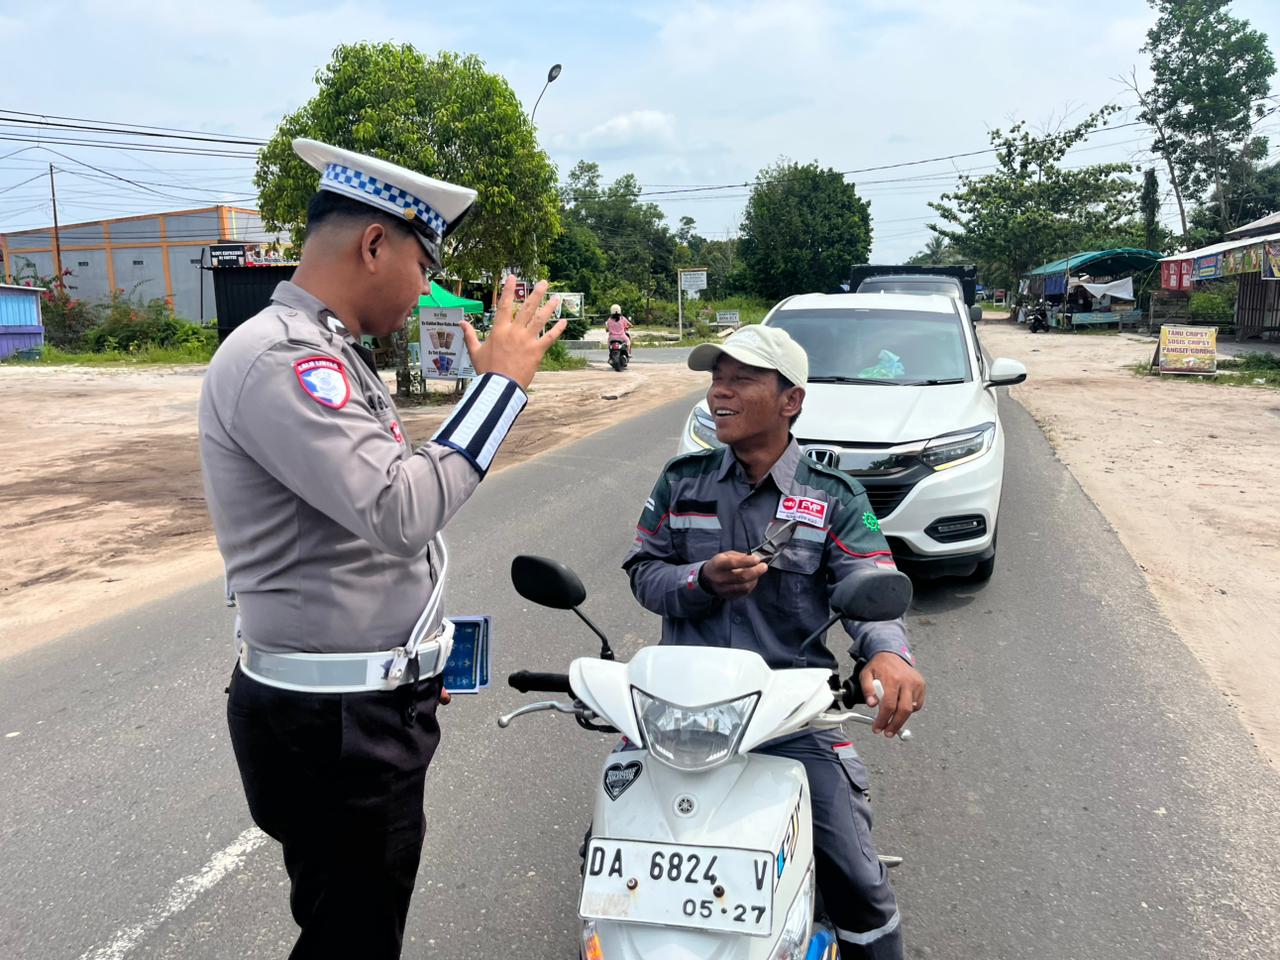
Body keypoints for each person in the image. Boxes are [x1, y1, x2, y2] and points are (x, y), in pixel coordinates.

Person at [199, 138, 565, 959]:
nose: (427, 290)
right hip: (335, 729)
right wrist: (501, 389)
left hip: (357, 713)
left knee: (353, 926)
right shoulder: (283, 359)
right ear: (373, 245)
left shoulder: (327, 353)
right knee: (352, 939)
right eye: (423, 265)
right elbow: (401, 506)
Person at [622, 325, 926, 960]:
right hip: (679, 713)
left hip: (789, 716)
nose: (719, 393)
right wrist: (698, 580)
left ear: (791, 401)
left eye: (742, 380)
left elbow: (872, 583)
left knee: (854, 873)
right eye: (716, 378)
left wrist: (888, 652)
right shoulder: (682, 482)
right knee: (617, 852)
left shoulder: (832, 496)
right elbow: (643, 573)